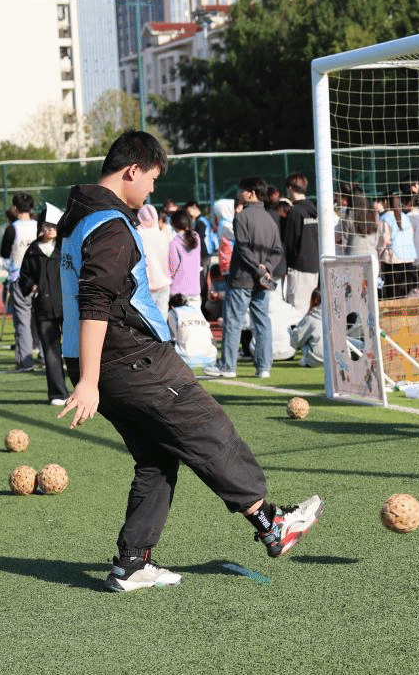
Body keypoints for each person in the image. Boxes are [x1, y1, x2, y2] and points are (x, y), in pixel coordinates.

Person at [57, 131, 322, 592]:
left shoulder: (76, 216)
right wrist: (89, 381)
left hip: (98, 358)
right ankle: (271, 523)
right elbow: (95, 299)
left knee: (157, 457)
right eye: (152, 178)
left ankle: (132, 563)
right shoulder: (109, 225)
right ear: (132, 170)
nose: (153, 189)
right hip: (132, 357)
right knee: (206, 427)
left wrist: (86, 372)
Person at [205, 177, 283, 380]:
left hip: (242, 278)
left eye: (242, 190)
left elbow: (243, 248)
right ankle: (264, 367)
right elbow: (277, 250)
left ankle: (228, 366)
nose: (240, 194)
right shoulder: (270, 218)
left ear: (251, 193)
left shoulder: (242, 217)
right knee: (262, 322)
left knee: (233, 322)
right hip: (262, 281)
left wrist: (258, 269)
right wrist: (267, 268)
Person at [18, 211, 69, 406]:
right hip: (44, 308)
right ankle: (58, 394)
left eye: (54, 225)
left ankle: (83, 391)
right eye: (47, 225)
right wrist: (31, 286)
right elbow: (24, 276)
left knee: (75, 350)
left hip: (68, 306)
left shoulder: (66, 246)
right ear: (40, 227)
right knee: (50, 352)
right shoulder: (32, 250)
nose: (51, 229)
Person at [1, 192, 40, 371]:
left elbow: (4, 253)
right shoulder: (40, 225)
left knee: (23, 321)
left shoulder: (12, 228)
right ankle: (45, 357)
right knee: (42, 319)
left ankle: (25, 361)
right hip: (40, 276)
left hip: (19, 277)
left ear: (15, 209)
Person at [282, 173, 320, 316]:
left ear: (291, 188)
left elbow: (289, 242)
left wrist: (285, 265)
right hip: (315, 265)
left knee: (297, 309)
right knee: (311, 307)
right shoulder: (314, 209)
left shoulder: (295, 212)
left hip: (299, 266)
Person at [378, 194, 418, 299]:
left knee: (393, 293)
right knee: (408, 292)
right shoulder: (406, 217)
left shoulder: (385, 218)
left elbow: (384, 240)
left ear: (386, 202)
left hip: (392, 259)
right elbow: (411, 234)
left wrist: (379, 255)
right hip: (408, 258)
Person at [136, 204, 172, 319]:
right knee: (162, 317)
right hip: (164, 282)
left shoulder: (138, 236)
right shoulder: (162, 236)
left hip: (146, 285)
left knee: (147, 320)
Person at [167, 293, 217, 369]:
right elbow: (211, 337)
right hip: (210, 359)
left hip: (186, 360)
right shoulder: (197, 311)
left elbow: (174, 337)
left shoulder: (172, 313)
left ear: (171, 306)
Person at [167, 210, 205, 310]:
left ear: (174, 224)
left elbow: (173, 268)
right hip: (194, 288)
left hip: (179, 292)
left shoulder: (174, 243)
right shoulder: (196, 237)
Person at [289, 288, 324, 367]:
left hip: (315, 359)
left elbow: (295, 341)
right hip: (333, 359)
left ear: (314, 300)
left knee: (303, 335)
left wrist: (292, 331)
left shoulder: (310, 318)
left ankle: (307, 359)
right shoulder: (332, 318)